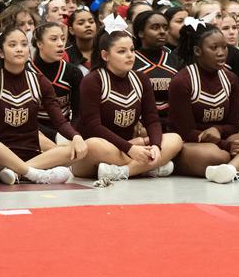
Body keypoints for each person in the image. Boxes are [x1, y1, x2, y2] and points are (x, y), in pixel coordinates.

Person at [0, 26, 95, 184]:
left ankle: (19, 172)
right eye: (12, 45)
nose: (19, 49)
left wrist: (76, 137)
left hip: (33, 155)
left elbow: (60, 121)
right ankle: (33, 174)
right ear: (1, 52)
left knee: (72, 149)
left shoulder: (40, 81)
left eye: (23, 44)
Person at [72, 18, 183, 181]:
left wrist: (157, 147)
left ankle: (123, 172)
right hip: (100, 152)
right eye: (122, 51)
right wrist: (130, 148)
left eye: (131, 50)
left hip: (130, 147)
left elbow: (152, 119)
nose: (130, 56)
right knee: (94, 144)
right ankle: (149, 167)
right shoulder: (93, 80)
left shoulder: (141, 79)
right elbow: (93, 126)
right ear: (105, 55)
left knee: (175, 139)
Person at [169, 19, 239, 183]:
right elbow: (185, 131)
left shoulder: (231, 79)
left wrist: (219, 131)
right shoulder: (182, 81)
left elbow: (233, 125)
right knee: (216, 155)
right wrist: (225, 145)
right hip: (192, 143)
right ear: (198, 51)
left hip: (222, 138)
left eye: (224, 47)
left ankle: (229, 170)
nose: (221, 52)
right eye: (213, 48)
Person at [33, 22, 84, 142]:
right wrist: (54, 136)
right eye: (53, 39)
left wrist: (71, 134)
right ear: (39, 43)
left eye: (62, 38)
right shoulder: (26, 72)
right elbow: (26, 120)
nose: (61, 44)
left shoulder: (73, 72)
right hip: (35, 133)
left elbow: (78, 114)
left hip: (65, 132)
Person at [132, 10, 179, 122]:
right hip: (143, 125)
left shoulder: (176, 60)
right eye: (155, 27)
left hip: (173, 124)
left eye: (165, 27)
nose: (162, 32)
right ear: (141, 33)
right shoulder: (131, 60)